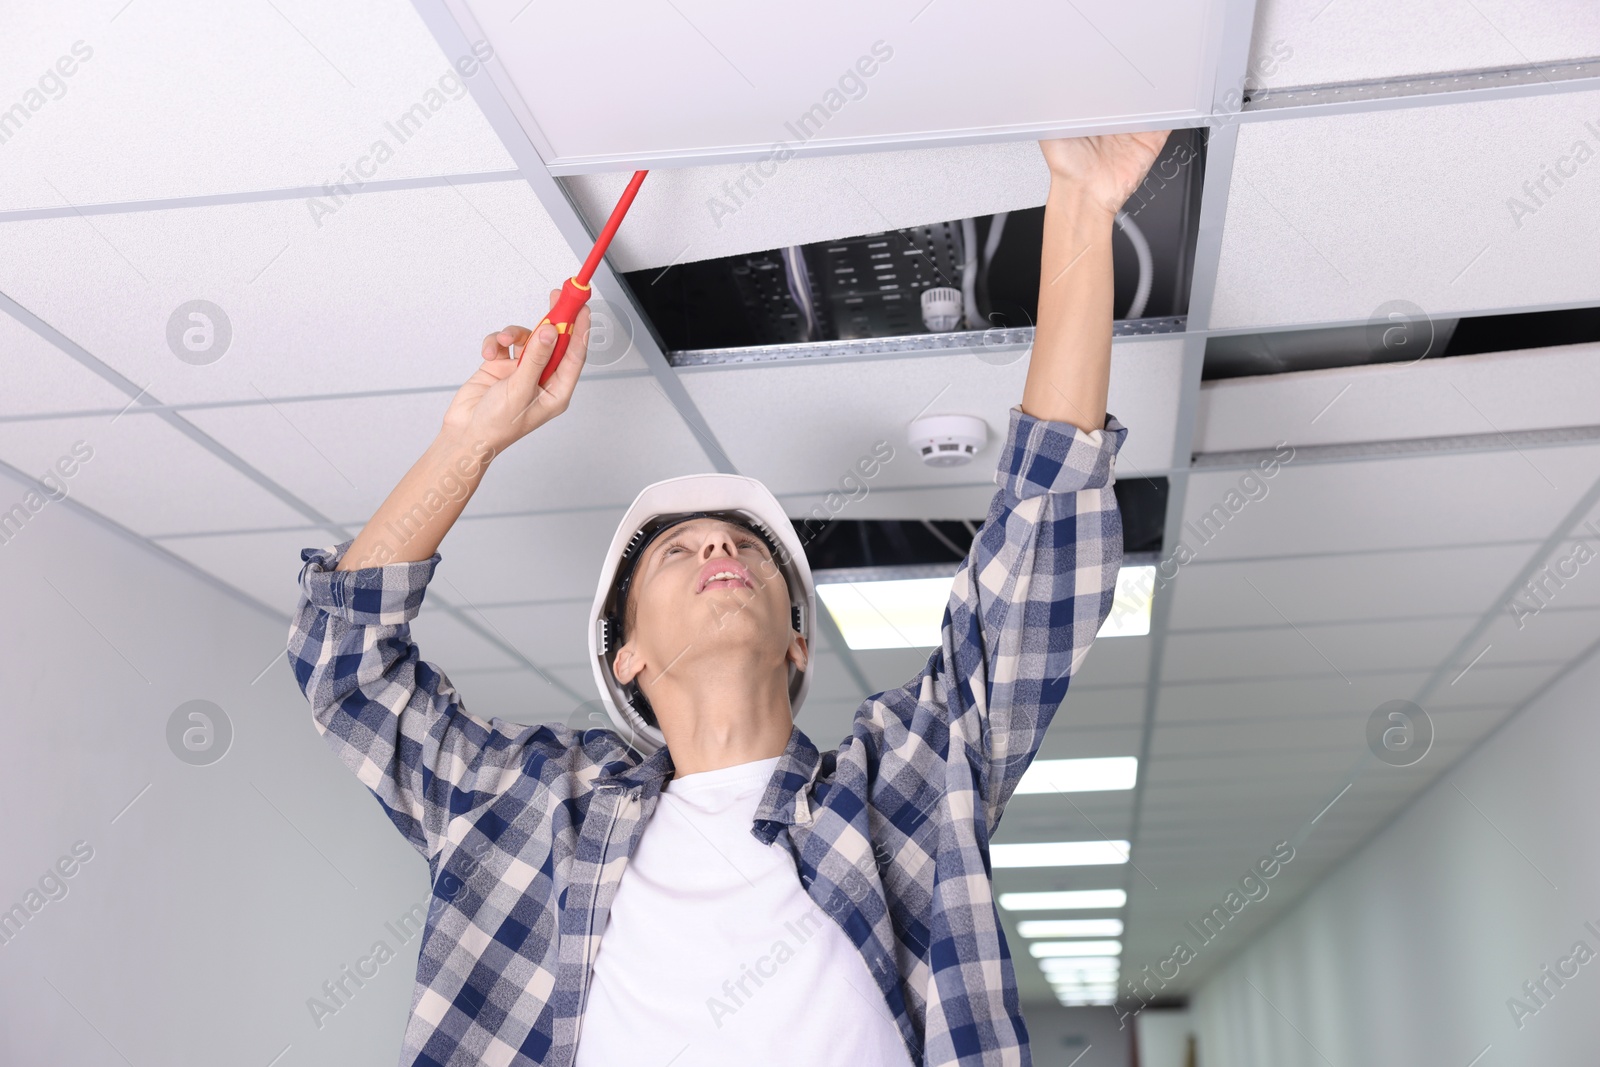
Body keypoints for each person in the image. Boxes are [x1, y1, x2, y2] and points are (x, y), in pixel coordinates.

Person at [287, 129, 1168, 1067]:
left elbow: (1039, 551)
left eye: (746, 546)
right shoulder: (527, 814)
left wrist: (1080, 204)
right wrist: (469, 441)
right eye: (678, 550)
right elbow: (344, 664)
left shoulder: (908, 786)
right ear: (623, 656)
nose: (718, 544)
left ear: (796, 642)